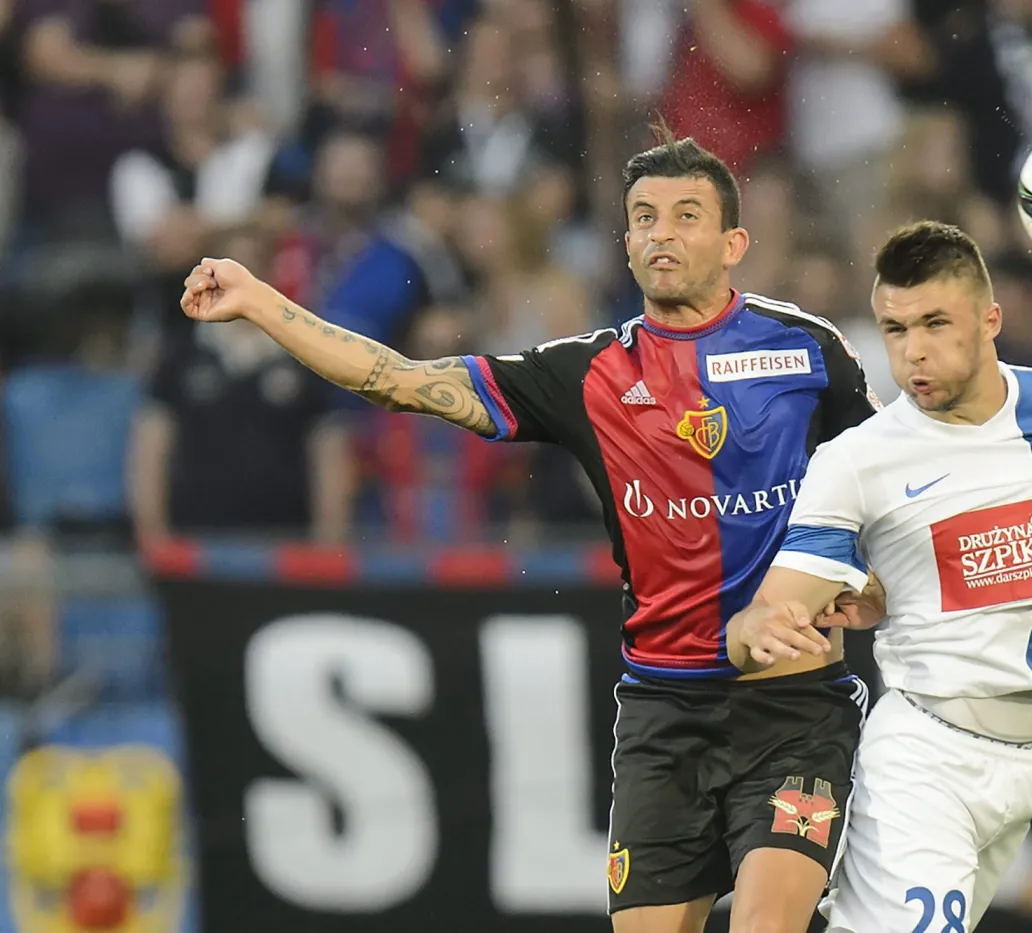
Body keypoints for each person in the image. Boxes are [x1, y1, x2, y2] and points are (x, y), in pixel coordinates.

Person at [178, 132, 882, 933]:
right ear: (624, 244)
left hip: (793, 706)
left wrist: (872, 585)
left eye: (687, 216)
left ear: (733, 244)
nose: (661, 233)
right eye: (644, 218)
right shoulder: (587, 374)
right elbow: (402, 382)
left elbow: (885, 488)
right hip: (664, 713)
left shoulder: (810, 353)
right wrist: (261, 302)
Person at [727, 221, 1032, 931]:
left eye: (935, 322)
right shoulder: (861, 459)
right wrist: (750, 628)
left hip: (1030, 763)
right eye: (894, 329)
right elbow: (774, 615)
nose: (913, 350)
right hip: (927, 758)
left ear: (991, 319)